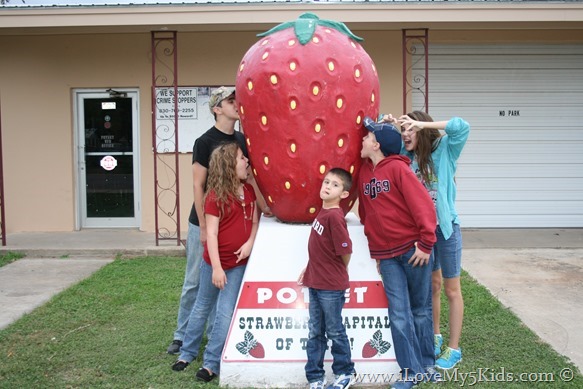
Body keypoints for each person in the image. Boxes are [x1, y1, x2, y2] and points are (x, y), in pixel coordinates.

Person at [167, 86, 270, 355]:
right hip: (204, 219)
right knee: (195, 280)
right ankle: (181, 335)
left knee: (221, 281)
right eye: (230, 101)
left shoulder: (242, 139)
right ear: (217, 108)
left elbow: (250, 177)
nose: (237, 104)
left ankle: (215, 333)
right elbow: (197, 186)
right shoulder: (204, 142)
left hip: (232, 219)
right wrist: (202, 226)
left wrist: (262, 206)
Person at [384, 111, 470, 370]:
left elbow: (461, 126)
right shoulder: (404, 157)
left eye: (410, 130)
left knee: (451, 289)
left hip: (445, 229)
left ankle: (454, 349)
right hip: (422, 234)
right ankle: (434, 336)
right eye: (403, 131)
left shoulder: (444, 149)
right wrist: (388, 124)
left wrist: (421, 123)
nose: (405, 135)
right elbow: (380, 141)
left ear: (421, 130)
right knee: (432, 285)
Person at [358, 117, 437, 389]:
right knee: (399, 313)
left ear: (376, 144)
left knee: (420, 310)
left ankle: (427, 363)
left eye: (367, 137)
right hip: (387, 256)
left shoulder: (400, 171)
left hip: (414, 251)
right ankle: (410, 371)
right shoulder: (364, 173)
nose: (363, 139)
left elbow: (424, 207)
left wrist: (426, 244)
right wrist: (377, 251)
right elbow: (366, 214)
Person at [171, 142, 259, 382]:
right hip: (214, 264)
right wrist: (217, 268)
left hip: (238, 264)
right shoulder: (215, 197)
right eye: (242, 158)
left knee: (225, 312)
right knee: (201, 306)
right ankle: (187, 353)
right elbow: (210, 234)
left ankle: (211, 362)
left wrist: (250, 242)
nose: (247, 162)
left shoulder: (249, 192)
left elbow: (253, 222)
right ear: (230, 166)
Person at [298, 168, 356, 389]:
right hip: (315, 281)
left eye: (335, 184)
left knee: (334, 330)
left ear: (343, 194)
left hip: (330, 287)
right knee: (315, 332)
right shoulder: (322, 213)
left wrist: (337, 271)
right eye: (326, 181)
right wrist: (309, 267)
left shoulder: (334, 216)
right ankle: (315, 376)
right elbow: (320, 248)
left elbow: (345, 250)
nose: (327, 186)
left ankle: (345, 372)